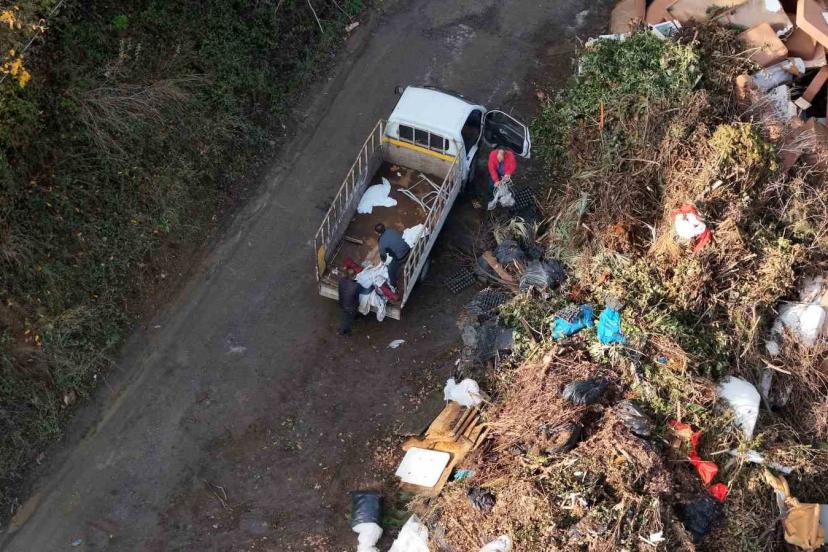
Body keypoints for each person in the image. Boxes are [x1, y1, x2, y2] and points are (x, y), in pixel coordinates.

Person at [338, 268, 360, 335]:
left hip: (342, 302)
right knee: (347, 320)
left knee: (345, 316)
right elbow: (356, 298)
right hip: (350, 307)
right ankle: (343, 331)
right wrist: (357, 305)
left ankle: (343, 328)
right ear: (354, 276)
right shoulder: (356, 286)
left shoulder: (341, 281)